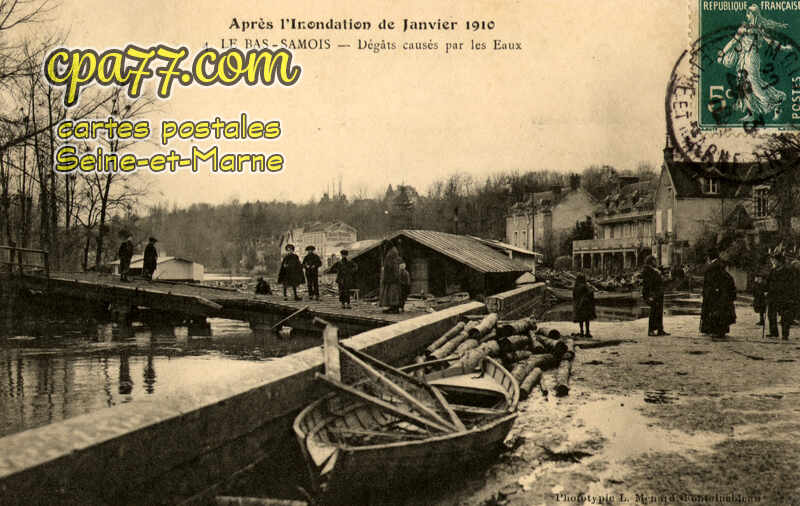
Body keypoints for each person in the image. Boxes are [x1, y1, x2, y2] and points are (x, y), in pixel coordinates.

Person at [716, 4, 791, 121]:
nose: (747, 15)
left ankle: (775, 104)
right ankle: (750, 113)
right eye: (747, 13)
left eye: (748, 13)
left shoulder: (759, 28)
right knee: (743, 85)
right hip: (742, 58)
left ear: (753, 14)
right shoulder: (743, 28)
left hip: (752, 58)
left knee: (754, 85)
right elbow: (733, 42)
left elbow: (770, 40)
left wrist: (782, 47)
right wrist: (723, 52)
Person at [700, 249, 737, 339]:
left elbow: (712, 281)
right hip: (721, 293)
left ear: (709, 257)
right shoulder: (719, 264)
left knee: (715, 311)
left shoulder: (713, 266)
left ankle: (716, 330)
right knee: (719, 312)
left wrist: (710, 292)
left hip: (715, 293)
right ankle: (719, 330)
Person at [767, 252, 796, 339]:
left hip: (784, 296)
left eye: (774, 260)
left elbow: (792, 284)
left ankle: (785, 334)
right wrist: (766, 290)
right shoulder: (773, 271)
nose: (773, 262)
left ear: (780, 261)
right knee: (771, 314)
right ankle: (774, 332)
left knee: (784, 316)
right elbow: (769, 282)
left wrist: (791, 296)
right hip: (773, 296)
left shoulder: (788, 271)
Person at [642, 255, 669, 336]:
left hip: (658, 293)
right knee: (654, 311)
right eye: (655, 260)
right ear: (651, 261)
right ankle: (651, 330)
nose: (656, 262)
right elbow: (647, 284)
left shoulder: (654, 270)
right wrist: (649, 295)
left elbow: (659, 281)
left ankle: (660, 329)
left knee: (659, 311)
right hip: (653, 293)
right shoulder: (647, 270)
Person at [379, 239, 402, 313]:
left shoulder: (391, 253)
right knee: (391, 292)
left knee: (392, 292)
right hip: (391, 275)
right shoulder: (393, 251)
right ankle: (393, 307)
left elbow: (391, 266)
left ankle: (394, 308)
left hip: (392, 276)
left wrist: (388, 276)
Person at [572, 274, 596, 338]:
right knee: (587, 319)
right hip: (585, 305)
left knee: (581, 319)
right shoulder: (585, 286)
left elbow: (574, 296)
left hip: (578, 305)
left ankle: (581, 331)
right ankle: (587, 332)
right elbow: (590, 293)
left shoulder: (576, 287)